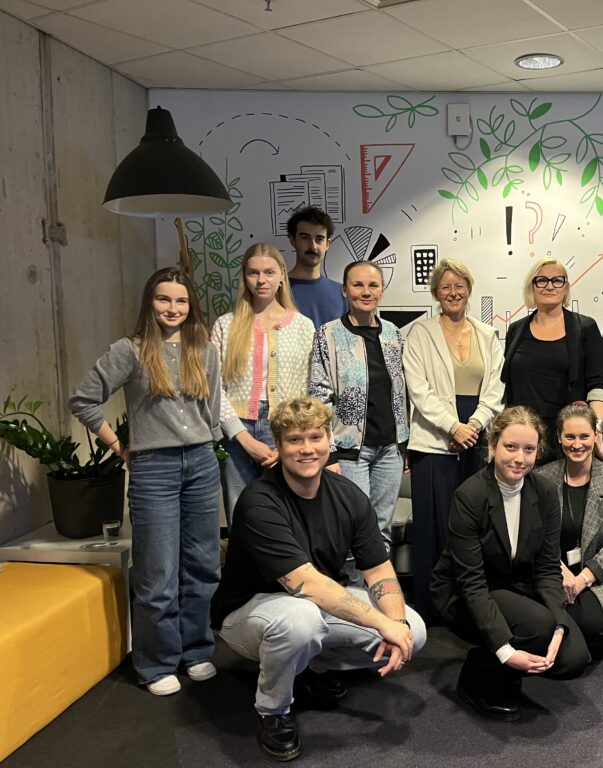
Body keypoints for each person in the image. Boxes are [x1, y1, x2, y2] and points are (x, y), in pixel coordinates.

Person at [211, 397, 426, 762]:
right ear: (279, 446)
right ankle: (273, 710)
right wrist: (381, 624)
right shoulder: (259, 501)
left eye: (315, 437)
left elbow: (378, 570)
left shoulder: (348, 496)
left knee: (413, 631)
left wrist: (396, 622)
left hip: (314, 607)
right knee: (301, 620)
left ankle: (313, 666)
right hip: (247, 613)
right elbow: (306, 584)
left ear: (329, 440)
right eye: (295, 440)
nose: (307, 449)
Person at [69, 267, 222, 696]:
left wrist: (205, 446)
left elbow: (212, 411)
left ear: (191, 306)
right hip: (154, 468)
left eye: (181, 301)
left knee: (203, 565)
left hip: (202, 462)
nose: (173, 308)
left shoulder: (204, 349)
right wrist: (121, 447)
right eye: (163, 299)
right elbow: (83, 399)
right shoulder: (130, 350)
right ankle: (156, 663)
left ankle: (196, 651)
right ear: (149, 303)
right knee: (157, 571)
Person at [431, 406, 589, 722]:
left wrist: (560, 624)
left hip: (516, 585)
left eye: (529, 449)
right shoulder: (470, 495)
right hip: (467, 593)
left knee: (573, 657)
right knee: (536, 627)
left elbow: (547, 568)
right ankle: (477, 678)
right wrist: (506, 653)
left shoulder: (545, 492)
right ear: (493, 446)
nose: (520, 458)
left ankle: (501, 659)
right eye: (511, 447)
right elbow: (472, 583)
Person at [403, 259, 505, 620]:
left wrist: (473, 425)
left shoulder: (487, 334)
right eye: (445, 287)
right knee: (434, 526)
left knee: (473, 527)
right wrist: (453, 427)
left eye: (459, 286)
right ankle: (430, 610)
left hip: (476, 436)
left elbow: (495, 388)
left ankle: (469, 608)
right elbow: (418, 389)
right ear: (435, 293)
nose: (453, 292)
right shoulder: (420, 333)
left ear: (469, 289)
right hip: (434, 440)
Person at [309, 260, 408, 558]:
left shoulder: (393, 334)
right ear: (345, 291)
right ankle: (352, 586)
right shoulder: (328, 335)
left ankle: (380, 586)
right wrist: (330, 453)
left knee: (382, 530)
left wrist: (405, 443)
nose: (366, 292)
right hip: (350, 451)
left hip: (390, 449)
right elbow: (318, 397)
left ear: (382, 290)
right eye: (358, 285)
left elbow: (403, 391)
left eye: (373, 285)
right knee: (353, 528)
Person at [211, 243, 314, 526]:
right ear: (244, 276)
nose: (261, 280)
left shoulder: (303, 326)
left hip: (286, 429)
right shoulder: (225, 325)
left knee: (288, 516)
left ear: (282, 275)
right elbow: (213, 389)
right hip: (236, 433)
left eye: (269, 272)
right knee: (241, 515)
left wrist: (291, 439)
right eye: (253, 273)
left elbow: (311, 389)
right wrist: (242, 437)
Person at [534, 403, 603, 659]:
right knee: (541, 615)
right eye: (570, 437)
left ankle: (559, 638)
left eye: (584, 436)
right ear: (559, 437)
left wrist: (582, 580)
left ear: (595, 436)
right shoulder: (542, 478)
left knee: (590, 623)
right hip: (553, 572)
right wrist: (560, 571)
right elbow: (534, 537)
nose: (577, 444)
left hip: (600, 577)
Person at [501, 257, 603, 462]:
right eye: (541, 280)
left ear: (566, 288)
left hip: (569, 438)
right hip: (524, 436)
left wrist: (596, 429)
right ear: (532, 287)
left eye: (557, 280)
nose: (549, 286)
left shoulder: (585, 328)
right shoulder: (516, 330)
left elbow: (598, 384)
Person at [286, 206, 347, 330]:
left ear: (328, 244)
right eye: (305, 238)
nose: (313, 246)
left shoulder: (342, 294)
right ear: (293, 240)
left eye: (319, 239)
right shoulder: (276, 290)